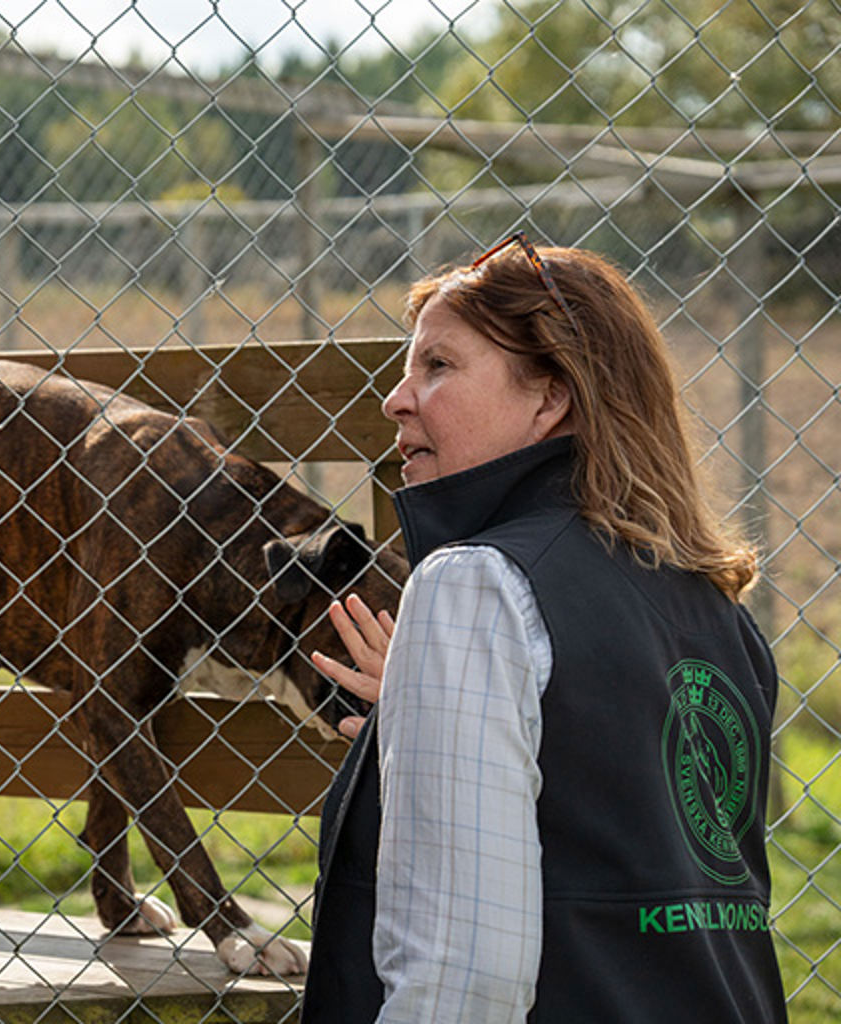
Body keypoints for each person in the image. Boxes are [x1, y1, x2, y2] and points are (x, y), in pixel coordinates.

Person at [299, 234, 787, 1022]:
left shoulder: (473, 585)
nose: (396, 398)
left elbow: (463, 976)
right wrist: (436, 711)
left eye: (439, 366)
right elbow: (624, 841)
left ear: (551, 397)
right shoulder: (712, 607)